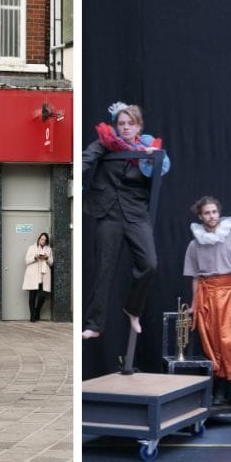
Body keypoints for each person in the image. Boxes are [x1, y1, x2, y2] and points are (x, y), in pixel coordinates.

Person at [81, 102, 170, 340]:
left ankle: (132, 309)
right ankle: (94, 324)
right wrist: (75, 178)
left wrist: (151, 159)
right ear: (116, 126)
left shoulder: (148, 147)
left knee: (150, 264)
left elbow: (163, 167)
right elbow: (85, 159)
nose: (126, 128)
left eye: (131, 123)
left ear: (139, 126)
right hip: (108, 212)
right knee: (103, 269)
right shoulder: (105, 144)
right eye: (121, 123)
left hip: (135, 214)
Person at [183, 196, 231, 410]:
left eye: (214, 212)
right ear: (200, 216)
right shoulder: (194, 245)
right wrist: (194, 305)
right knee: (212, 345)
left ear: (219, 213)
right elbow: (195, 277)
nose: (211, 216)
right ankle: (220, 391)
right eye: (207, 213)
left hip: (229, 294)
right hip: (207, 297)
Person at [22, 232, 54, 322]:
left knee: (43, 295)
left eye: (45, 240)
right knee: (32, 296)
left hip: (44, 275)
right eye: (42, 239)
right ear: (39, 238)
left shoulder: (49, 249)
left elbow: (51, 263)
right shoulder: (31, 248)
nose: (43, 241)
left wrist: (47, 258)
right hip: (33, 275)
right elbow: (26, 261)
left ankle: (37, 311)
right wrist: (35, 257)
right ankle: (32, 316)